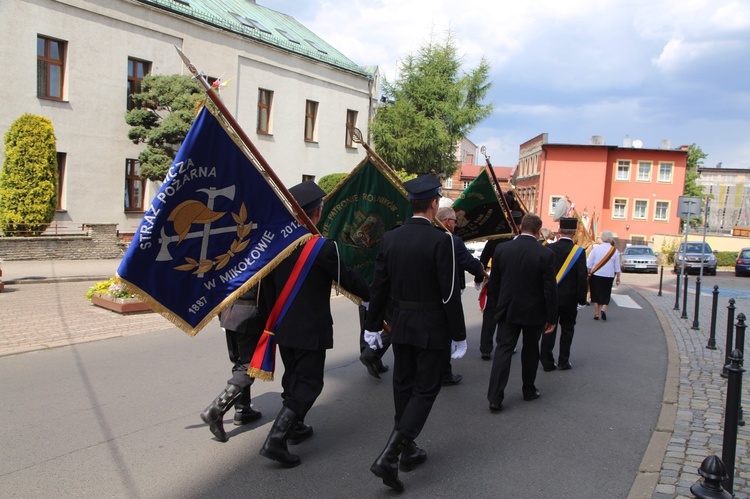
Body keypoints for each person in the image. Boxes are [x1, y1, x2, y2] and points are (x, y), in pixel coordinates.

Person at [364, 174, 467, 492]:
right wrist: (458, 335)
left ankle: (407, 450)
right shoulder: (442, 240)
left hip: (401, 324)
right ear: (435, 204)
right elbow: (449, 293)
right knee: (425, 390)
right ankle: (391, 454)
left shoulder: (391, 238)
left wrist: (371, 326)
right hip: (431, 325)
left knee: (403, 387)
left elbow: (379, 286)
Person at [257, 180, 370, 468]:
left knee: (293, 376)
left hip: (281, 324)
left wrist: (271, 323)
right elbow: (349, 280)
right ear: (316, 213)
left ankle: (295, 427)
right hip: (311, 328)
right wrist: (375, 296)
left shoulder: (276, 245)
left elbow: (266, 290)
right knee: (309, 383)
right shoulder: (322, 248)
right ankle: (276, 439)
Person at [487, 213, 557, 412]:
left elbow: (496, 282)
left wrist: (499, 304)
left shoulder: (502, 249)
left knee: (503, 350)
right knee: (530, 350)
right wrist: (552, 317)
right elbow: (550, 289)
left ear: (520, 228)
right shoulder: (545, 254)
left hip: (508, 308)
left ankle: (495, 397)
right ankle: (528, 389)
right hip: (534, 310)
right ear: (538, 231)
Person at [200, 286, 263, 442]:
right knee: (249, 367)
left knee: (240, 363)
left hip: (229, 311)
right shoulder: (256, 259)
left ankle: (243, 409)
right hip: (248, 312)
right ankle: (216, 409)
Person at [436, 206, 484, 385]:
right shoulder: (452, 241)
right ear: (447, 221)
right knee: (445, 335)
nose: (456, 225)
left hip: (422, 297)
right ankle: (444, 374)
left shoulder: (427, 236)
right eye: (455, 221)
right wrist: (480, 269)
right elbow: (470, 264)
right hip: (445, 296)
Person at [539, 218, 588, 371]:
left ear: (559, 231)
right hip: (569, 298)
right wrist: (582, 299)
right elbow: (582, 276)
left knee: (548, 328)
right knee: (567, 329)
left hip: (549, 297)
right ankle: (563, 361)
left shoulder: (548, 248)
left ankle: (547, 362)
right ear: (574, 233)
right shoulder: (578, 252)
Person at [587, 230, 621, 321]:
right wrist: (618, 277)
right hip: (609, 275)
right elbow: (617, 266)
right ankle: (603, 308)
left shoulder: (596, 248)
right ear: (611, 239)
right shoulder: (614, 251)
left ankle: (597, 313)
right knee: (606, 292)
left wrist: (588, 272)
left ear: (601, 238)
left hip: (596, 274)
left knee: (595, 293)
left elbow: (589, 263)